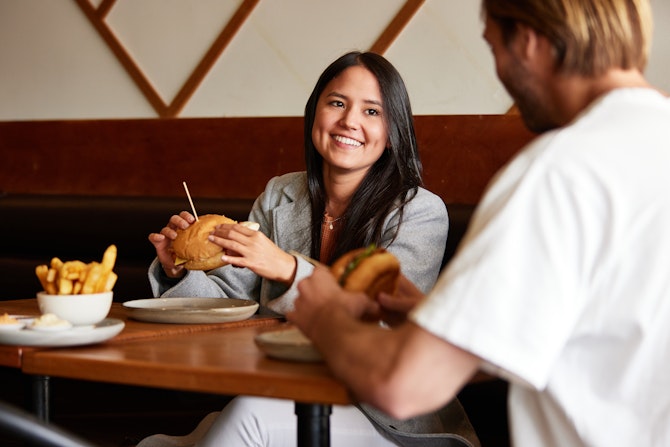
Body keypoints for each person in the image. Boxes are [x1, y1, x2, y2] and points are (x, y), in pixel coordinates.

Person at [289, 1, 670, 447]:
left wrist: (325, 317)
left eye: (494, 47)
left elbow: (406, 385)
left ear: (527, 41)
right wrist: (447, 315)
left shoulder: (559, 171)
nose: (501, 72)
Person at [141, 51, 479, 446]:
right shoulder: (278, 195)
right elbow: (233, 298)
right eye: (337, 103)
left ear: (393, 131)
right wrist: (178, 268)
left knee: (249, 417)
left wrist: (286, 268)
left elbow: (382, 320)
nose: (349, 121)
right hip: (285, 392)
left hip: (383, 416)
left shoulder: (420, 212)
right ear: (314, 113)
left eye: (372, 111)